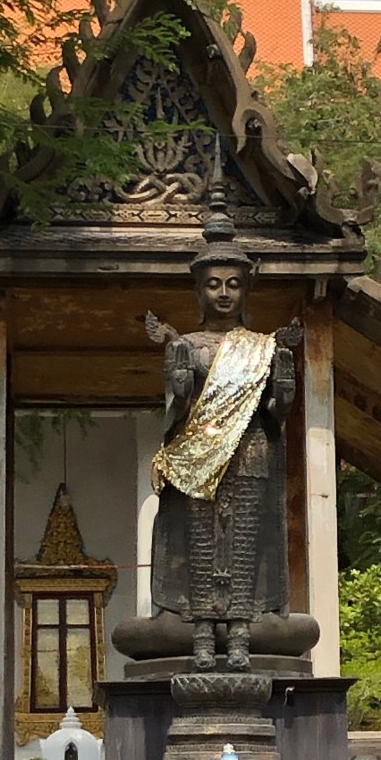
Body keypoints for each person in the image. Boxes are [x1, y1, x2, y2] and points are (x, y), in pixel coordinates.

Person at [149, 205, 297, 672]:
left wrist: (285, 383)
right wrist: (177, 381)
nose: (224, 293)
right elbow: (177, 411)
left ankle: (239, 632)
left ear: (246, 288)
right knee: (200, 544)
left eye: (233, 284)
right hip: (199, 456)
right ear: (199, 290)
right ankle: (200, 633)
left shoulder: (263, 346)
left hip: (250, 451)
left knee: (245, 545)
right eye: (214, 284)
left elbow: (276, 413)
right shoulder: (188, 345)